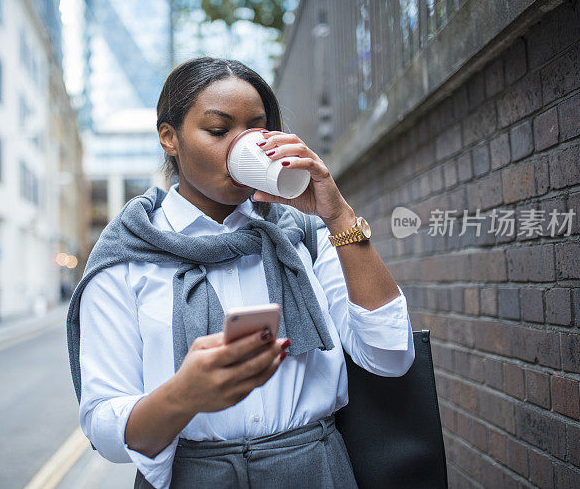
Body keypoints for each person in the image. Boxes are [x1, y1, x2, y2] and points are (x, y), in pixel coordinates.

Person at [67, 57, 415, 489]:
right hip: (192, 476)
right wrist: (183, 396)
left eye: (255, 129)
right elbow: (105, 427)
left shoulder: (303, 235)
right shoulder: (127, 255)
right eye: (218, 130)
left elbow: (391, 355)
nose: (240, 145)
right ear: (169, 138)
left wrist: (338, 215)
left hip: (315, 468)